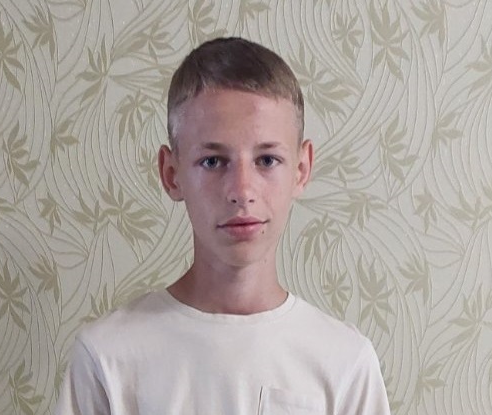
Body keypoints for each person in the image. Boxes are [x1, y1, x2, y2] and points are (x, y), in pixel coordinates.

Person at [55, 37, 391, 415]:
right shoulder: (107, 358)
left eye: (267, 160)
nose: (242, 191)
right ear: (171, 174)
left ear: (301, 169)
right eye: (213, 161)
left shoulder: (345, 364)